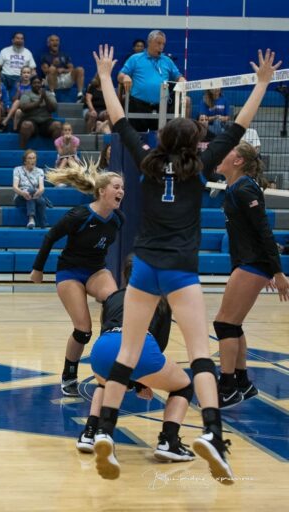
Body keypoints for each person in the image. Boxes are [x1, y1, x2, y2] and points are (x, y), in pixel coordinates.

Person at [90, 44, 279, 484]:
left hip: (144, 270)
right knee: (199, 355)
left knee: (128, 352)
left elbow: (119, 122)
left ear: (161, 140)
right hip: (180, 270)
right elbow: (238, 126)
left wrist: (104, 77)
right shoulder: (201, 166)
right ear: (194, 142)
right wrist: (263, 83)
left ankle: (105, 428)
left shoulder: (148, 161)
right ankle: (212, 432)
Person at [76, 256, 196, 464]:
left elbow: (108, 329)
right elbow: (158, 345)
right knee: (183, 386)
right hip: (140, 346)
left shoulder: (113, 297)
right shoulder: (160, 299)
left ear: (126, 274)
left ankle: (90, 433)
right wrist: (142, 383)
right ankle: (169, 441)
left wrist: (136, 381)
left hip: (102, 348)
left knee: (104, 385)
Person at [30, 160, 124, 396]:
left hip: (96, 270)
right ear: (102, 191)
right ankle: (69, 375)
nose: (121, 191)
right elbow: (50, 237)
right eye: (116, 186)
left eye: (122, 187)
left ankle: (109, 367)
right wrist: (38, 269)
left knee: (116, 313)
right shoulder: (79, 215)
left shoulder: (117, 219)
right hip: (70, 271)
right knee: (83, 331)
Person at [213, 141, 289, 408]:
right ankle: (242, 383)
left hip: (252, 263)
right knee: (232, 324)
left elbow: (264, 231)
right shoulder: (236, 188)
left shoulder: (245, 189)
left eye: (228, 151)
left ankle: (227, 386)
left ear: (238, 161)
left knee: (224, 324)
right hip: (248, 263)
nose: (220, 154)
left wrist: (277, 271)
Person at [117, 30, 185, 132]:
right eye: (158, 43)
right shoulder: (135, 58)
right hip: (138, 105)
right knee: (137, 138)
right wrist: (125, 77)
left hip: (162, 106)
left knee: (162, 138)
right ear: (149, 42)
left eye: (163, 44)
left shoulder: (167, 61)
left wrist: (182, 80)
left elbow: (178, 76)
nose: (161, 47)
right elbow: (120, 75)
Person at [18, 77, 61, 149]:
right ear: (31, 84)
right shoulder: (26, 94)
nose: (37, 84)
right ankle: (22, 149)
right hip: (30, 119)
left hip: (46, 121)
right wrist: (39, 101)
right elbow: (23, 107)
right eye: (34, 83)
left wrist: (45, 98)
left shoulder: (49, 94)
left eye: (38, 83)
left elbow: (53, 108)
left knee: (57, 125)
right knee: (26, 125)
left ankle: (58, 151)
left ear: (41, 84)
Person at [40, 34, 85, 99]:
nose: (55, 42)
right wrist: (53, 64)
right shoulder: (44, 57)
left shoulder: (64, 55)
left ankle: (80, 94)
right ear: (48, 44)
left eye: (57, 40)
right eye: (52, 40)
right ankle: (52, 94)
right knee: (52, 69)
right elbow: (45, 72)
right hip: (53, 81)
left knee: (80, 69)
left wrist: (63, 70)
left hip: (65, 78)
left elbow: (71, 68)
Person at [12, 150, 47, 229]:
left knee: (38, 197)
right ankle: (36, 221)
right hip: (20, 197)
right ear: (25, 161)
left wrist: (39, 192)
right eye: (30, 158)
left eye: (34, 158)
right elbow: (15, 187)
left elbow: (42, 188)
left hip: (34, 195)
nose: (32, 160)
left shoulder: (40, 171)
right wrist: (23, 193)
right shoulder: (17, 170)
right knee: (33, 193)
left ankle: (35, 222)